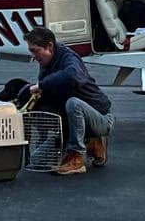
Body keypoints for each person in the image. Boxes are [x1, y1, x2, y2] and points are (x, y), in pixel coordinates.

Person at [24, 27, 114, 175]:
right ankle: (90, 141)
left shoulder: (69, 58)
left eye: (36, 50)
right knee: (38, 161)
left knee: (73, 103)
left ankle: (77, 156)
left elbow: (72, 75)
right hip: (69, 124)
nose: (34, 56)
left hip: (101, 117)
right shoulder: (45, 65)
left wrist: (41, 85)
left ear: (50, 47)